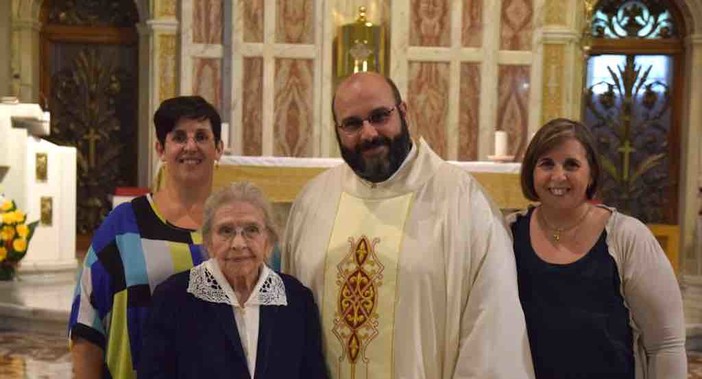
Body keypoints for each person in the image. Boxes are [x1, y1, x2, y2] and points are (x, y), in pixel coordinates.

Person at [283, 72, 534, 378]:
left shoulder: (463, 202)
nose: (369, 134)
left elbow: (492, 328)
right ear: (337, 130)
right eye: (352, 124)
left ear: (404, 112)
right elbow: (291, 326)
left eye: (379, 116)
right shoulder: (313, 202)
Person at [507, 118, 686, 378]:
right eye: (546, 164)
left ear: (591, 174)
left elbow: (666, 344)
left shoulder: (627, 238)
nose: (558, 176)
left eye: (572, 164)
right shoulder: (508, 234)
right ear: (531, 172)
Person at [68, 96, 224, 378]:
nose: (191, 146)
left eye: (201, 136)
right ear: (161, 149)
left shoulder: (237, 227)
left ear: (219, 149)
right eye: (179, 137)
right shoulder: (123, 226)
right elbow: (87, 324)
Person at [138, 182, 327, 378]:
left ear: (268, 241)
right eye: (226, 231)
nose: (238, 244)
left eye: (251, 230)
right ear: (208, 242)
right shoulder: (172, 298)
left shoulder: (296, 299)